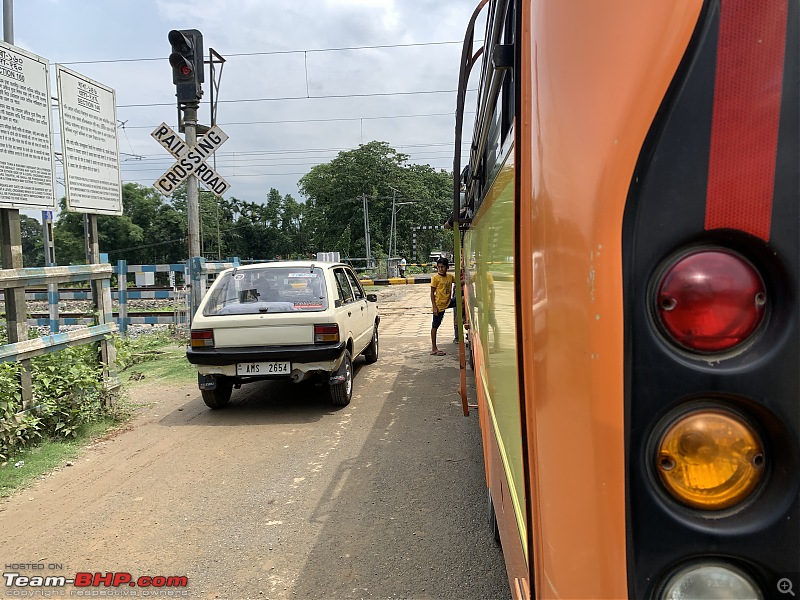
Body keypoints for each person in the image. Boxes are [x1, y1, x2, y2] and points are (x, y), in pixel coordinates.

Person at [430, 256, 455, 356]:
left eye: (442, 267)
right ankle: (434, 348)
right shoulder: (435, 278)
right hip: (439, 305)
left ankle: (459, 318)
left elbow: (458, 282)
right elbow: (432, 293)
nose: (440, 269)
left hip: (448, 302)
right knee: (435, 326)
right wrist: (434, 307)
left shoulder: (449, 277)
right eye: (439, 267)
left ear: (447, 267)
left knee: (461, 299)